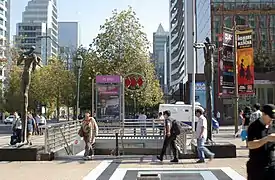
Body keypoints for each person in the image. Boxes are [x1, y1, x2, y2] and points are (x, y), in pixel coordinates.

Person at [246, 104, 275, 180]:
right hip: (257, 167)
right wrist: (266, 139)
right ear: (263, 114)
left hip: (271, 166)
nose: (271, 120)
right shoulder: (254, 127)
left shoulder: (272, 126)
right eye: (270, 118)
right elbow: (250, 145)